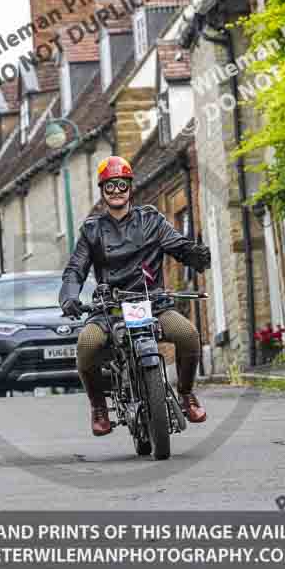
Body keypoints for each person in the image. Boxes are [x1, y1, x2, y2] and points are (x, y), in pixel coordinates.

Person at [59, 155, 211, 437]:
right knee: (87, 343)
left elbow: (176, 244)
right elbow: (75, 269)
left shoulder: (152, 220)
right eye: (110, 186)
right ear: (102, 190)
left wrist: (194, 254)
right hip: (110, 307)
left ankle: (187, 394)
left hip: (152, 302)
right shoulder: (92, 230)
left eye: (121, 185)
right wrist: (69, 295)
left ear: (130, 187)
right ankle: (99, 407)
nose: (116, 191)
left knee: (188, 334)